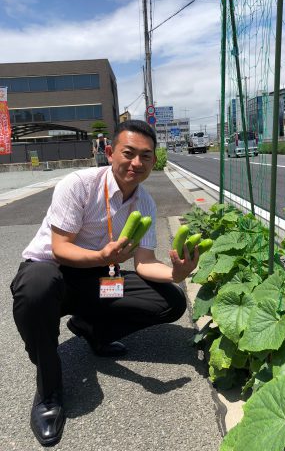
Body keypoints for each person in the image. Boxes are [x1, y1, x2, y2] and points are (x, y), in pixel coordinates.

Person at [10, 120, 199, 446]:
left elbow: (144, 263)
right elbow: (60, 248)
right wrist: (101, 256)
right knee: (36, 287)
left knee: (171, 300)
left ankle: (92, 329)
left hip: (97, 280)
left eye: (146, 156)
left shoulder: (145, 203)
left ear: (154, 162)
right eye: (129, 153)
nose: (136, 163)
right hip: (50, 270)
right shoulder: (79, 184)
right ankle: (49, 391)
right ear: (110, 153)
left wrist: (176, 274)